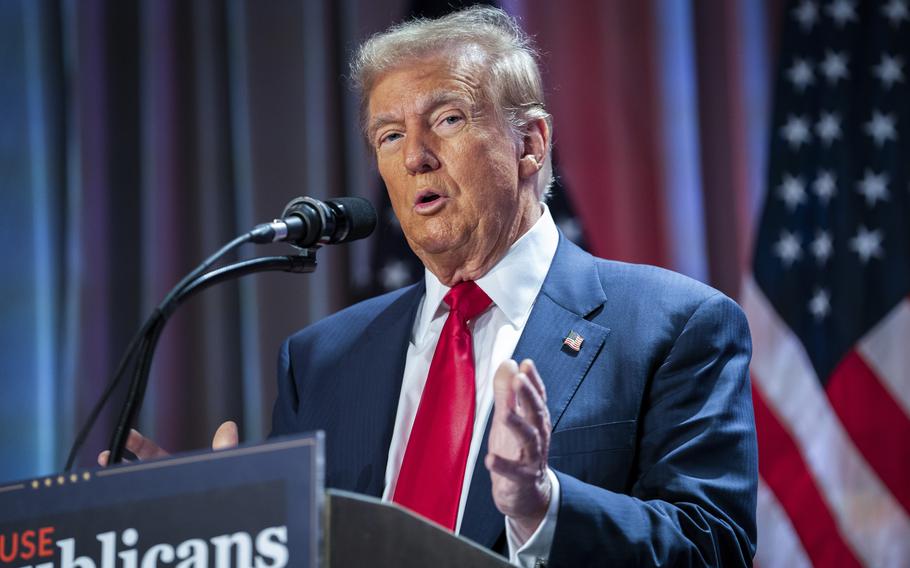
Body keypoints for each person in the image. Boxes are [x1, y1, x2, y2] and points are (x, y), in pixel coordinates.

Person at [105, 7, 757, 566]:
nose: (414, 154)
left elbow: (713, 546)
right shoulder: (321, 359)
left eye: (446, 120)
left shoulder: (676, 325)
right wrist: (222, 530)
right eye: (389, 135)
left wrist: (541, 504)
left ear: (530, 143)